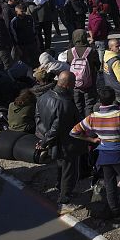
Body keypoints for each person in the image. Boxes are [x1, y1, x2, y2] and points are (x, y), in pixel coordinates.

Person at [71, 87, 120, 226]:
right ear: (114, 98)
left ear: (100, 100)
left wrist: (93, 140)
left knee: (110, 185)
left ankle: (116, 216)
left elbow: (74, 132)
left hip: (104, 155)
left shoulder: (93, 117)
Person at [35, 71, 86, 212]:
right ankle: (64, 200)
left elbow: (38, 118)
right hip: (66, 144)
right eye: (74, 83)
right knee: (69, 172)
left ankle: (61, 190)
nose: (75, 85)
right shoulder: (64, 104)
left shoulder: (44, 97)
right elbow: (56, 128)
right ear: (68, 84)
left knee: (60, 168)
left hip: (54, 142)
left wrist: (44, 138)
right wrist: (46, 140)